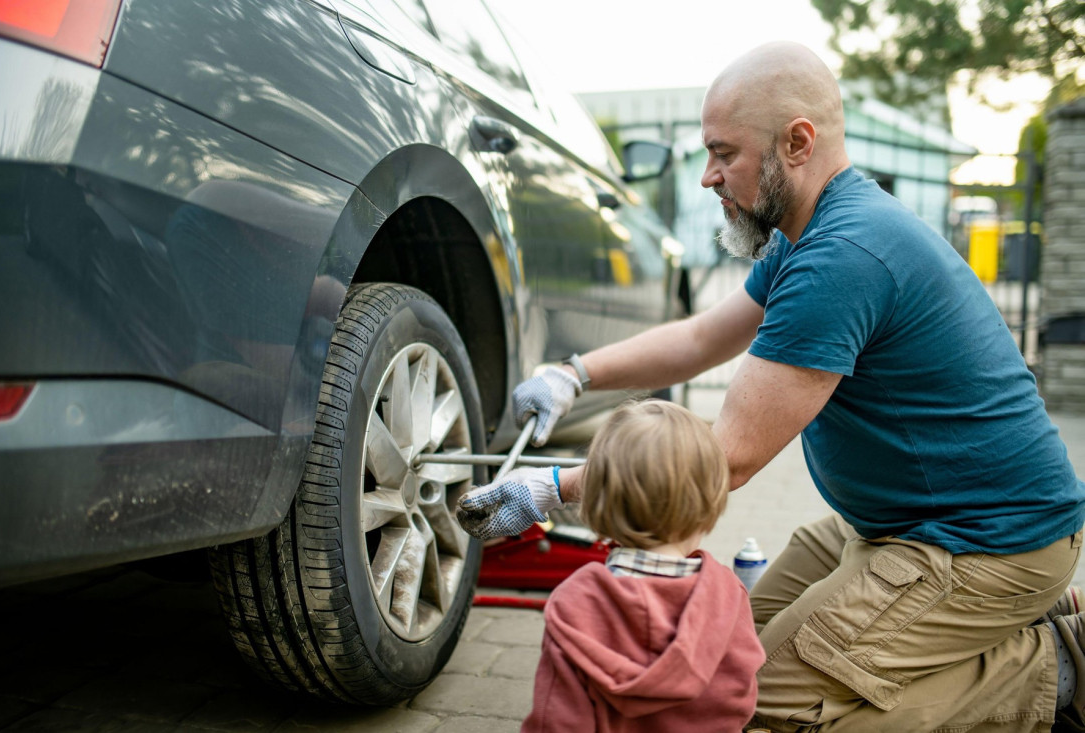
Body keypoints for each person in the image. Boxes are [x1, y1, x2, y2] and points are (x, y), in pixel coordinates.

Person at [458, 40, 1085, 732]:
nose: (707, 176)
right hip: (893, 524)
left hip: (986, 543)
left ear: (796, 142)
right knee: (727, 655)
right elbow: (702, 339)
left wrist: (549, 487)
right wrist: (574, 373)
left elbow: (727, 458)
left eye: (724, 153)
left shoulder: (842, 256)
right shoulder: (805, 232)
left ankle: (1053, 668)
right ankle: (963, 638)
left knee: (759, 706)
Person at [522, 399, 765, 733]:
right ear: (712, 502)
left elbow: (557, 718)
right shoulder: (727, 594)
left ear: (594, 499)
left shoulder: (575, 601)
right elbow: (739, 697)